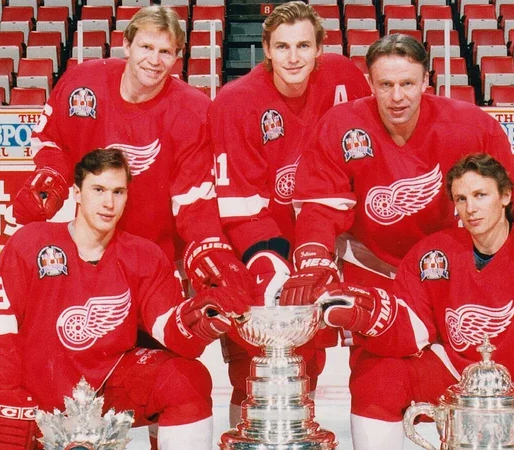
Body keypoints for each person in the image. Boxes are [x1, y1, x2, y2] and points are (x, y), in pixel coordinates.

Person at [314, 153, 514, 449]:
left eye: (480, 195)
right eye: (461, 199)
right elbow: (413, 327)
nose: (470, 208)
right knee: (377, 376)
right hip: (458, 377)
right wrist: (370, 313)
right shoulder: (434, 254)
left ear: (506, 196)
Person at [0, 149, 250, 450]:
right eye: (98, 190)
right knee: (10, 427)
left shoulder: (144, 256)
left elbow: (169, 329)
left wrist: (201, 317)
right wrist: (9, 398)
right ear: (77, 193)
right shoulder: (31, 243)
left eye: (118, 192)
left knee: (185, 380)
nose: (108, 203)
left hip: (109, 387)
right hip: (40, 400)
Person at [281, 32, 514, 306]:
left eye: (407, 84)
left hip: (443, 264)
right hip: (368, 266)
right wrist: (314, 255)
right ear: (370, 84)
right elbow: (320, 206)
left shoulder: (470, 125)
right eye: (386, 85)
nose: (397, 97)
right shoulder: (340, 125)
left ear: (425, 81)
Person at [207, 1, 372, 424]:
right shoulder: (235, 102)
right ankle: (249, 439)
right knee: (252, 367)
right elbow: (239, 204)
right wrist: (273, 267)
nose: (293, 57)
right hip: (257, 248)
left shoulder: (344, 79)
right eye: (282, 46)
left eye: (303, 45)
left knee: (309, 361)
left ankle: (297, 436)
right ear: (265, 49)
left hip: (323, 245)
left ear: (320, 48)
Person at [12, 6, 249, 298]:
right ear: (126, 45)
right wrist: (52, 176)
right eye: (146, 47)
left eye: (165, 52)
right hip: (92, 252)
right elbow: (52, 139)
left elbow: (194, 197)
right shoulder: (83, 83)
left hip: (160, 260)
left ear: (177, 57)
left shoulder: (192, 110)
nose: (154, 60)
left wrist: (206, 247)